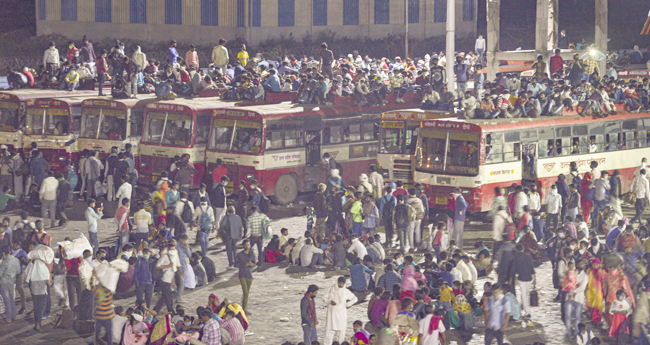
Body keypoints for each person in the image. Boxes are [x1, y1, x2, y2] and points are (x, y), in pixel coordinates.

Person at [324, 276, 358, 345]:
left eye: (342, 283)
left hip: (341, 315)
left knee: (341, 333)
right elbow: (324, 299)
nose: (341, 285)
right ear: (337, 282)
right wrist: (330, 301)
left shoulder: (346, 291)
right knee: (329, 332)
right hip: (331, 314)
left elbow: (355, 299)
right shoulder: (330, 289)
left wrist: (347, 304)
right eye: (340, 283)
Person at [154, 243, 176, 314]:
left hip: (169, 280)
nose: (172, 251)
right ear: (168, 249)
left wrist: (173, 281)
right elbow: (157, 266)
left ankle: (156, 310)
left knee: (164, 296)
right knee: (169, 297)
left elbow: (173, 270)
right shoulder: (164, 256)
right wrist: (168, 266)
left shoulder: (174, 257)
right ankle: (171, 310)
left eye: (173, 249)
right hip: (164, 279)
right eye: (171, 249)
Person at [0, 247, 20, 323]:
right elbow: (18, 271)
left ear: (4, 253)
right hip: (12, 281)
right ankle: (14, 315)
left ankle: (8, 317)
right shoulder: (16, 260)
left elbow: (0, 273)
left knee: (6, 300)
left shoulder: (4, 262)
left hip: (4, 282)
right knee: (11, 299)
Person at [235, 239, 255, 312]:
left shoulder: (252, 253)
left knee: (246, 293)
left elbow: (254, 262)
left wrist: (251, 265)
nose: (247, 246)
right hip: (242, 274)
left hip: (249, 275)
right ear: (243, 246)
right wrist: (243, 265)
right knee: (245, 292)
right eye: (246, 245)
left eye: (248, 245)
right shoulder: (239, 254)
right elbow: (236, 264)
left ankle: (243, 305)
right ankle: (244, 308)